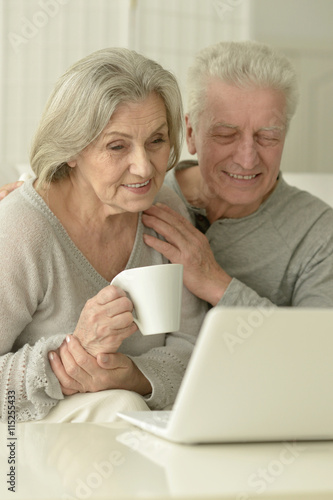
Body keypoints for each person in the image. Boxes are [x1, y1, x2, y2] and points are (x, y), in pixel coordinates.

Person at [0, 48, 208, 423]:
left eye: (157, 141)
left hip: (142, 443)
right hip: (25, 450)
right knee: (119, 407)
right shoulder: (22, 229)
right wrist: (67, 358)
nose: (144, 167)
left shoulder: (164, 209)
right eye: (117, 146)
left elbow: (194, 347)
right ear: (72, 150)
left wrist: (135, 376)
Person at [141, 41, 333, 308]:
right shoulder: (140, 197)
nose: (247, 159)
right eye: (226, 135)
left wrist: (217, 284)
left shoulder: (320, 233)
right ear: (191, 133)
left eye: (267, 136)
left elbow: (319, 345)